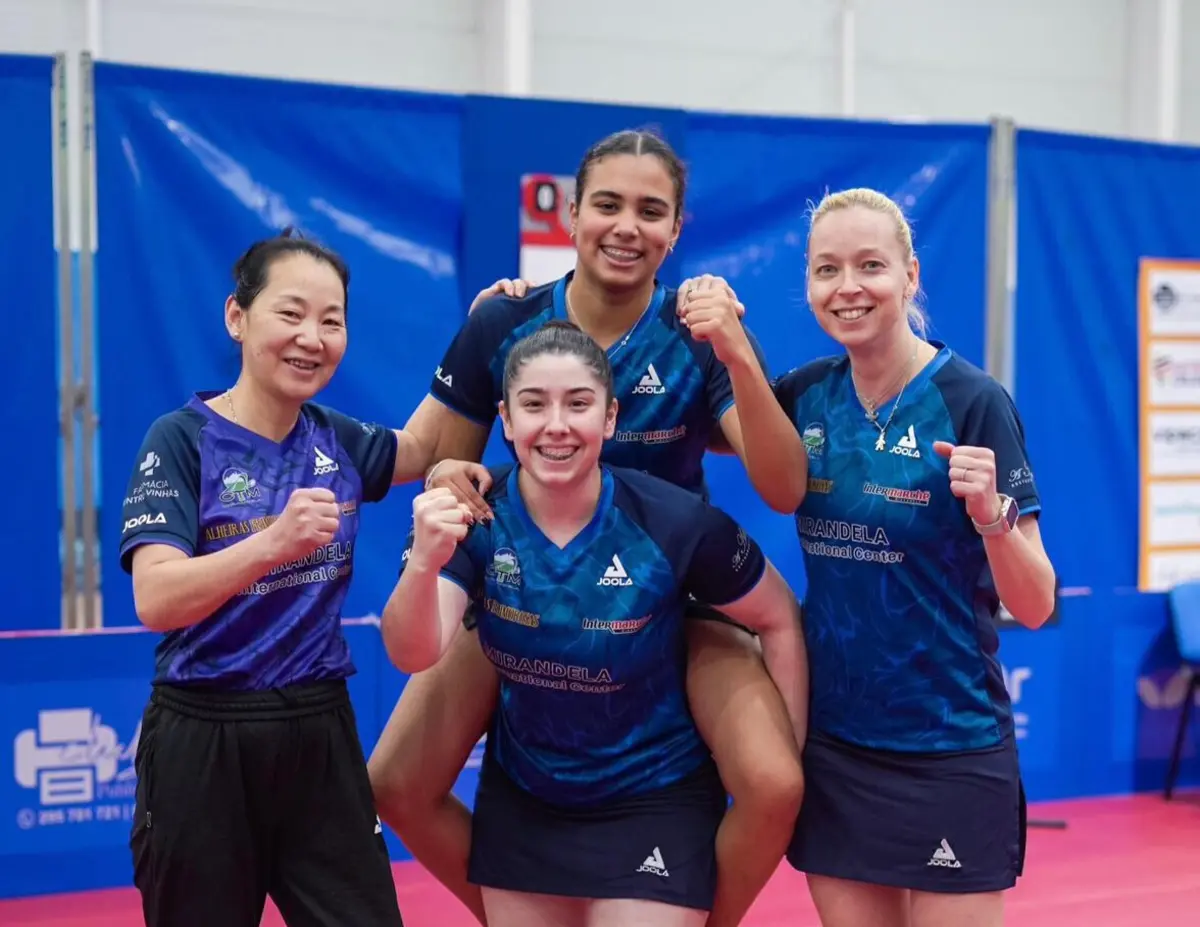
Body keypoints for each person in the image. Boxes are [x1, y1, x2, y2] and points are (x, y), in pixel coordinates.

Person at [368, 128, 810, 927]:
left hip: (670, 594)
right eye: (607, 204)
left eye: (651, 211)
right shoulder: (505, 321)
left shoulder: (695, 334)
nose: (626, 226)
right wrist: (438, 476)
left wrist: (738, 353)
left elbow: (784, 489)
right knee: (394, 778)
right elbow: (451, 468)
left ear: (677, 230)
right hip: (528, 588)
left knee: (777, 783)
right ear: (571, 215)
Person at [117, 230, 474, 927]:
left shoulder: (333, 437)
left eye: (332, 320)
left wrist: (480, 332)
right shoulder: (181, 439)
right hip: (204, 733)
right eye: (291, 313)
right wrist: (270, 542)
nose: (312, 336)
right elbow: (156, 597)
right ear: (237, 316)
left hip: (318, 731)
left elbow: (426, 446)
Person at [721, 187, 1055, 927]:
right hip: (839, 747)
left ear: (910, 274)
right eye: (825, 269)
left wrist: (993, 519)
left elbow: (1035, 602)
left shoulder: (973, 401)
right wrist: (518, 315)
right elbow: (654, 419)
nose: (847, 288)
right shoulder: (802, 398)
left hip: (952, 743)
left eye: (870, 265)